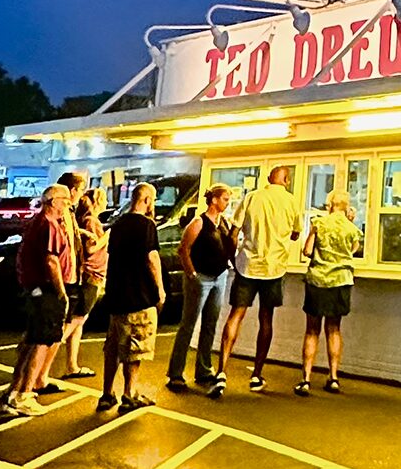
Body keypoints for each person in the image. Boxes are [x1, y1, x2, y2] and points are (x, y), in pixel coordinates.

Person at [219, 167, 299, 397]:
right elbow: (296, 234)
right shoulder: (291, 202)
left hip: (247, 265)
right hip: (274, 268)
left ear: (267, 179)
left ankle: (222, 371)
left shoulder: (252, 197)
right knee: (266, 319)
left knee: (236, 314)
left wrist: (233, 259)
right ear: (287, 180)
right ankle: (256, 374)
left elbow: (233, 233)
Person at [4, 184, 76, 416]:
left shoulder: (38, 222)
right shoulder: (49, 225)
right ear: (53, 201)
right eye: (65, 199)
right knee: (41, 341)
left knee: (31, 339)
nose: (68, 203)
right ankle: (24, 393)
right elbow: (51, 261)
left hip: (34, 288)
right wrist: (61, 291)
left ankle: (15, 390)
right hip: (45, 290)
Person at [101, 183, 165, 412]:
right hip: (139, 296)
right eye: (153, 200)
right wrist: (160, 290)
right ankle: (129, 393)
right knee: (134, 349)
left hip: (117, 295)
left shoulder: (118, 225)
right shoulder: (146, 225)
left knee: (113, 347)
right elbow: (152, 257)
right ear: (146, 199)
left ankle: (107, 393)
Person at [167, 184, 233, 393]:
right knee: (188, 324)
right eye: (225, 199)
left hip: (219, 276)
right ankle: (176, 372)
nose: (227, 203)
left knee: (210, 323)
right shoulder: (198, 222)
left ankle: (203, 369)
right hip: (201, 277)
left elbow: (230, 247)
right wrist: (192, 274)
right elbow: (183, 249)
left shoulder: (223, 223)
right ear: (214, 200)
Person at [296, 189, 361, 397]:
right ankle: (333, 377)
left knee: (312, 330)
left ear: (330, 205)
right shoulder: (352, 229)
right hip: (341, 281)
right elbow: (352, 250)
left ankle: (305, 379)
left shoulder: (319, 223)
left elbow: (306, 251)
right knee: (334, 329)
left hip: (318, 280)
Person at [55, 187, 108, 380]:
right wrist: (106, 237)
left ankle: (72, 365)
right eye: (104, 199)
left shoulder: (84, 221)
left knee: (78, 322)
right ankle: (51, 343)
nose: (106, 203)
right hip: (91, 274)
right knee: (79, 318)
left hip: (87, 274)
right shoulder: (91, 221)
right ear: (96, 202)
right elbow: (91, 248)